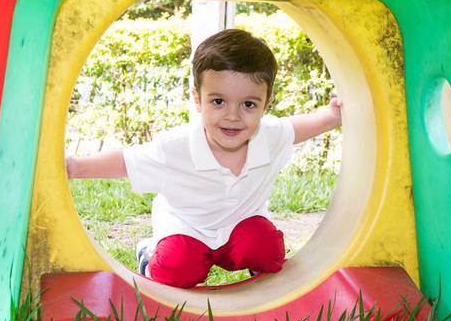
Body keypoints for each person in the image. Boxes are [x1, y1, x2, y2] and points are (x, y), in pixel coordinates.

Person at [66, 28, 342, 288]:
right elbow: (126, 161)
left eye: (248, 104)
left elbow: (299, 128)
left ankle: (250, 262)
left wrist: (333, 116)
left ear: (266, 103)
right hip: (188, 228)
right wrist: (76, 167)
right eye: (218, 101)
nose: (232, 116)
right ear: (198, 99)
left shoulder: (269, 135)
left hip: (241, 225)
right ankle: (149, 254)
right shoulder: (176, 147)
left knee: (268, 251)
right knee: (177, 270)